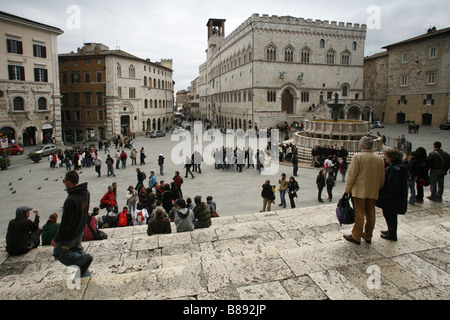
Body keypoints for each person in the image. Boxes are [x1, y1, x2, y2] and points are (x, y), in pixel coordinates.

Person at [343, 137, 385, 245]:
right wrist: (378, 188)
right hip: (373, 190)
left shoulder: (358, 157)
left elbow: (352, 175)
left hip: (360, 190)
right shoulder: (379, 158)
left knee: (359, 212)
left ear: (361, 146)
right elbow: (382, 177)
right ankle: (368, 235)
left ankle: (356, 236)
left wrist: (347, 189)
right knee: (371, 212)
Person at [51, 171, 93, 277]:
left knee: (59, 253)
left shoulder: (71, 200)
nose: (64, 183)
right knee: (78, 251)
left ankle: (82, 261)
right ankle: (85, 275)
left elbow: (65, 223)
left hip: (70, 235)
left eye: (64, 181)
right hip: (79, 231)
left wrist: (56, 239)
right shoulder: (85, 193)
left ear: (69, 182)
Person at [376, 148, 408, 242]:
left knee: (390, 215)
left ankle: (392, 234)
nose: (385, 158)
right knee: (389, 215)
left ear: (391, 158)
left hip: (391, 198)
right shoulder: (399, 167)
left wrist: (383, 194)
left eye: (386, 157)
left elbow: (392, 185)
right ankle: (390, 230)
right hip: (394, 197)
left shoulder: (395, 170)